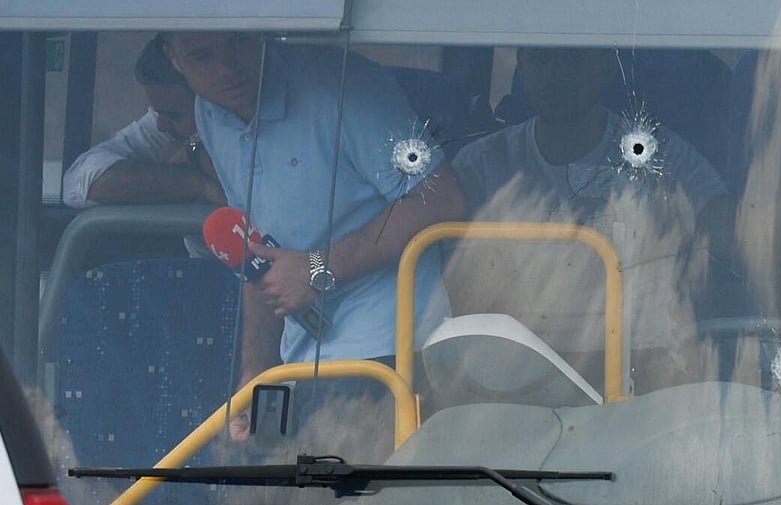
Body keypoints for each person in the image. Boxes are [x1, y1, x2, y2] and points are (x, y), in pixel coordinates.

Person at [160, 32, 467, 444]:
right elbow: (256, 248)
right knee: (272, 484)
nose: (227, 67)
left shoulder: (347, 87)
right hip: (293, 358)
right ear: (173, 58)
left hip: (387, 353)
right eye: (202, 54)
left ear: (265, 32)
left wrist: (319, 267)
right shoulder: (210, 111)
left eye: (240, 44)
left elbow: (441, 197)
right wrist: (255, 370)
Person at [449, 47, 731, 396]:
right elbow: (456, 282)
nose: (554, 73)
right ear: (521, 65)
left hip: (636, 364)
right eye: (541, 60)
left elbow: (723, 231)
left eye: (572, 59)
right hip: (516, 368)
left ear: (605, 68)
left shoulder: (657, 154)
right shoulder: (482, 163)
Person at [63, 36, 225, 211]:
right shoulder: (164, 131)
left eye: (174, 116)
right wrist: (195, 183)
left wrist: (195, 153)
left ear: (212, 104)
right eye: (158, 113)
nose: (161, 125)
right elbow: (82, 180)